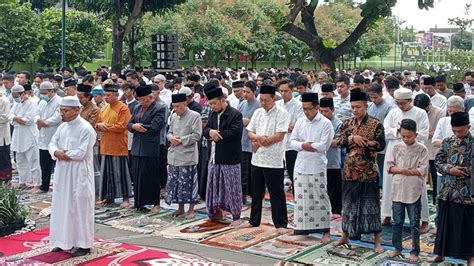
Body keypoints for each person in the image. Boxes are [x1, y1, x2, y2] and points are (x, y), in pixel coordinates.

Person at [335, 88, 386, 253]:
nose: (355, 110)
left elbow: (381, 145)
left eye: (358, 107)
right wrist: (351, 139)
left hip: (369, 171)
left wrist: (366, 142)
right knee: (348, 205)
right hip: (350, 170)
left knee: (371, 206)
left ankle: (377, 240)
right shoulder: (347, 123)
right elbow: (340, 141)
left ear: (366, 106)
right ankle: (345, 235)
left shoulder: (375, 124)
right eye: (353, 107)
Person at [49, 96, 96, 257]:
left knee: (80, 208)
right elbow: (52, 143)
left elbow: (82, 152)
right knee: (62, 206)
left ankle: (84, 244)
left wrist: (64, 154)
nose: (62, 113)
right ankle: (62, 241)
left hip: (79, 173)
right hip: (63, 172)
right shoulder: (62, 127)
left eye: (65, 110)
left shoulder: (86, 128)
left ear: (76, 110)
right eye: (60, 110)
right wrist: (56, 152)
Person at [381, 87, 431, 233]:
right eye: (398, 103)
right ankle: (388, 214)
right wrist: (398, 132)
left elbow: (423, 134)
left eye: (403, 103)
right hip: (394, 150)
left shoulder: (420, 113)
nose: (400, 106)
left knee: (417, 185)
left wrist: (409, 136)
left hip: (415, 152)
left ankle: (424, 220)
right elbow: (385, 131)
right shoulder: (393, 112)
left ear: (411, 100)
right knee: (390, 183)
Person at [428, 112, 474, 265]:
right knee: (444, 223)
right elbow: (438, 161)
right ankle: (440, 252)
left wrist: (462, 171)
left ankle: (470, 257)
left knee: (467, 224)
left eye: (461, 130)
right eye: (455, 130)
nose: (457, 133)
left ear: (468, 127)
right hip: (447, 190)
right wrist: (449, 169)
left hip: (466, 191)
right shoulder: (447, 141)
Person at [246, 84, 291, 234]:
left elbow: (280, 135)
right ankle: (254, 220)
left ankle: (280, 224)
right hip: (257, 158)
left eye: (266, 100)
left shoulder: (282, 114)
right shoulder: (258, 112)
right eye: (261, 100)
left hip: (274, 159)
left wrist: (263, 141)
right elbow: (249, 132)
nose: (263, 103)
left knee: (276, 192)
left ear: (273, 99)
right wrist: (259, 138)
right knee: (256, 191)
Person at [290, 92, 334, 242]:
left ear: (317, 107)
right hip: (301, 164)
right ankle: (302, 229)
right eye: (304, 109)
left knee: (320, 198)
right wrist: (304, 145)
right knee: (302, 200)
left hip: (317, 165)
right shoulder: (300, 121)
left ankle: (325, 231)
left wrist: (308, 146)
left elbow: (324, 145)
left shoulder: (326, 123)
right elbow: (292, 141)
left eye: (309, 109)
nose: (306, 112)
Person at [386, 119, 429, 262]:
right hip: (398, 189)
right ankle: (397, 248)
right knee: (397, 221)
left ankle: (414, 251)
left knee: (414, 223)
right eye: (403, 136)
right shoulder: (397, 147)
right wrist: (405, 170)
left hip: (413, 190)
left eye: (409, 136)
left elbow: (422, 170)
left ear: (416, 134)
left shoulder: (422, 149)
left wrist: (402, 170)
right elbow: (389, 167)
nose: (406, 139)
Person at [202, 83, 243, 226]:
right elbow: (205, 129)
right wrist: (210, 132)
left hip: (230, 158)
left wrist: (217, 135)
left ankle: (236, 217)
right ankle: (215, 213)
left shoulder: (235, 114)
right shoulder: (213, 114)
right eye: (210, 104)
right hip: (214, 157)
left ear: (222, 100)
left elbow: (235, 133)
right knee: (214, 187)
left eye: (214, 103)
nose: (212, 106)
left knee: (232, 188)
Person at [128, 85, 166, 212]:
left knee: (151, 176)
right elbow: (129, 124)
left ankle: (155, 203)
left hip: (150, 148)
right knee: (137, 176)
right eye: (140, 100)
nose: (142, 103)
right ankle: (139, 202)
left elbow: (155, 127)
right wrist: (134, 126)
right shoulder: (138, 107)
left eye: (144, 100)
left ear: (151, 97)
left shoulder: (159, 108)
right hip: (137, 146)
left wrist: (139, 127)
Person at [95, 84, 133, 207]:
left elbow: (122, 126)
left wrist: (105, 126)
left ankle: (125, 198)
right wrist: (99, 126)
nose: (105, 97)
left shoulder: (123, 108)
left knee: (121, 173)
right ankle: (108, 197)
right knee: (107, 173)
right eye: (104, 95)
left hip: (118, 146)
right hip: (105, 145)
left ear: (116, 95)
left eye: (108, 95)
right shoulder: (104, 108)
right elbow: (97, 124)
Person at [165, 93, 202, 219]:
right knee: (176, 184)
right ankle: (180, 209)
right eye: (173, 106)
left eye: (177, 106)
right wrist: (171, 138)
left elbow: (197, 135)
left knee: (189, 184)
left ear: (185, 104)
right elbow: (169, 132)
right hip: (174, 155)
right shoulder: (174, 116)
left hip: (187, 156)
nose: (175, 109)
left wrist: (181, 140)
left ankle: (191, 210)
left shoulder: (195, 116)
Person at [413, 94, 445, 203]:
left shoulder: (440, 112)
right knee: (419, 177)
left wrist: (426, 134)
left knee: (436, 178)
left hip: (435, 150)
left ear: (429, 104)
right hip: (420, 149)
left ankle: (437, 201)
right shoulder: (415, 113)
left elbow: (438, 132)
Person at [8, 84, 41, 190]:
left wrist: (16, 119)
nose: (15, 98)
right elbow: (10, 116)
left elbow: (28, 120)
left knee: (33, 160)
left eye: (16, 95)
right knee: (20, 159)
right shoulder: (17, 104)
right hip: (18, 134)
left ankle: (36, 183)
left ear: (23, 93)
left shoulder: (32, 103)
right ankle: (23, 181)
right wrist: (17, 119)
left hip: (29, 134)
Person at [33, 81, 62, 194]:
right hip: (43, 138)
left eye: (44, 93)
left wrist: (45, 122)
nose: (42, 95)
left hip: (54, 137)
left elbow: (57, 118)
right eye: (41, 92)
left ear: (52, 91)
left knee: (57, 165)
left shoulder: (59, 101)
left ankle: (59, 187)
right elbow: (36, 114)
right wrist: (38, 120)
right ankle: (44, 186)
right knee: (44, 164)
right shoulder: (42, 102)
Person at [276, 79, 303, 195]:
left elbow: (297, 127)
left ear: (292, 90)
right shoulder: (277, 105)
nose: (283, 93)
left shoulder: (299, 106)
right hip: (278, 145)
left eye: (285, 91)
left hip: (292, 146)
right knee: (277, 176)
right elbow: (274, 125)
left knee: (294, 175)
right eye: (280, 91)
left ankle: (297, 204)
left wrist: (282, 126)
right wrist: (286, 126)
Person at [319, 97, 343, 216]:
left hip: (332, 161)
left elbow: (339, 142)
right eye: (321, 111)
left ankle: (336, 211)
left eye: (326, 111)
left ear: (332, 110)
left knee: (334, 188)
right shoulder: (317, 121)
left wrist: (322, 142)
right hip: (318, 161)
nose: (323, 114)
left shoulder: (338, 123)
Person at [368, 84, 393, 186]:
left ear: (381, 94)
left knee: (382, 167)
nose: (373, 100)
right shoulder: (369, 106)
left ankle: (383, 187)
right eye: (371, 97)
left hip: (382, 144)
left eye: (375, 97)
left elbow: (387, 126)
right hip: (370, 143)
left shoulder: (389, 108)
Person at [0, 91, 11, 184]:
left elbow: (5, 117)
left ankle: (6, 178)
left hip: (2, 134)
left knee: (3, 157)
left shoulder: (4, 101)